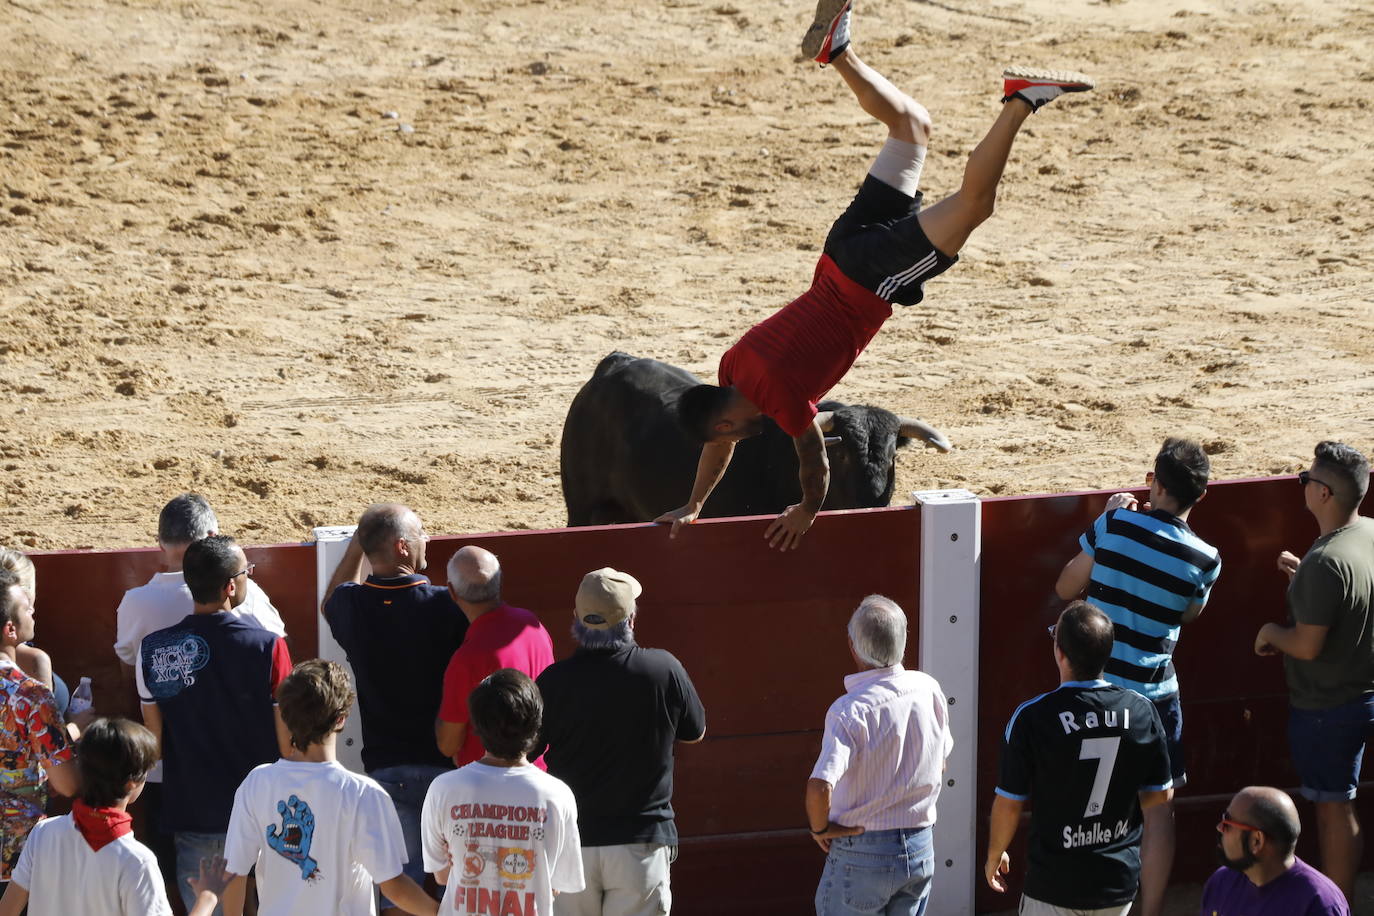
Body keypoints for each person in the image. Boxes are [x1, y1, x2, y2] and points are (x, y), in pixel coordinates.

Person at [654, 0, 1093, 551]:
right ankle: (837, 53)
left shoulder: (782, 400)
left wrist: (807, 510)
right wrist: (695, 504)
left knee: (974, 205)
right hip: (839, 254)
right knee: (911, 127)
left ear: (725, 423)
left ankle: (1020, 101)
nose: (737, 440)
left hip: (871, 279)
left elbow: (812, 463)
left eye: (731, 436)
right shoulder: (732, 367)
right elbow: (717, 445)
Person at [1055, 437, 1221, 916]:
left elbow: (1067, 586)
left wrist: (1107, 523)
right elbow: (1188, 615)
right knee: (1158, 810)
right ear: (1201, 496)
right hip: (1155, 699)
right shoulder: (1206, 558)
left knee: (1086, 804)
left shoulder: (1115, 523)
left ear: (1154, 483)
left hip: (1097, 693)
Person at [136, 534, 292, 915]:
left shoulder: (153, 649)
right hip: (264, 812)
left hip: (195, 809)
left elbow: (153, 745)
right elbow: (289, 742)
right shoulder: (270, 647)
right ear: (229, 585)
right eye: (246, 573)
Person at [985, 601, 1174, 916]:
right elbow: (1160, 804)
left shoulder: (1033, 717)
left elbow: (1010, 801)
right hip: (1116, 886)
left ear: (1059, 651)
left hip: (1053, 886)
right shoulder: (1142, 711)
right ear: (1108, 652)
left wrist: (995, 853)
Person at [537, 568, 706, 915]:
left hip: (571, 844)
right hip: (640, 841)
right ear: (630, 619)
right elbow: (695, 732)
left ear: (576, 619)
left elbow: (526, 752)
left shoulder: (552, 682)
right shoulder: (662, 669)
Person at [324, 504, 466, 914]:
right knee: (454, 885)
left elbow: (331, 600)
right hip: (444, 767)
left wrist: (355, 551)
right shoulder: (446, 605)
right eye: (421, 532)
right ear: (403, 547)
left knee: (399, 888)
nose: (428, 539)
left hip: (387, 770)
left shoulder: (353, 606)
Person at [221, 659, 438, 916]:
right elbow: (394, 887)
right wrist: (447, 911)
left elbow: (233, 874)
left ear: (286, 717)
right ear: (341, 719)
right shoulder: (364, 794)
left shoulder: (257, 783)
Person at [1254, 441, 1373, 901]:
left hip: (1330, 704)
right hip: (1361, 691)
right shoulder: (1367, 535)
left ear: (1323, 493)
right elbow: (1351, 600)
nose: (1301, 484)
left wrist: (1268, 631)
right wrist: (1305, 579)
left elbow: (1304, 645)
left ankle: (1336, 906)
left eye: (1305, 479)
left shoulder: (1325, 563)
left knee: (1333, 810)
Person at [807, 595, 952, 915]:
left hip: (862, 852)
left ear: (852, 646)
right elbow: (941, 761)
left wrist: (820, 830)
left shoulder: (848, 711)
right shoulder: (928, 689)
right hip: (919, 848)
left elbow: (819, 788)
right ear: (903, 640)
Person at [0, 717, 230, 916]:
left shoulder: (43, 833)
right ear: (133, 784)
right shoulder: (137, 861)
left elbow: (7, 910)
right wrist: (207, 897)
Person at [422, 669, 584, 915]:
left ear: (477, 724)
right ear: (536, 723)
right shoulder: (558, 796)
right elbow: (556, 885)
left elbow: (442, 875)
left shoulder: (443, 789)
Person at [436, 547, 554, 768]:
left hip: (486, 782)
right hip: (538, 770)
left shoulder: (467, 659)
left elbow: (448, 744)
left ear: (452, 592)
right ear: (498, 583)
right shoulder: (533, 625)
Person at [0, 568, 78, 890]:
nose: (33, 610)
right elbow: (67, 783)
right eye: (26, 608)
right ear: (10, 629)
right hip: (15, 864)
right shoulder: (29, 694)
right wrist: (77, 731)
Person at [1200, 786, 1348, 916]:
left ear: (1256, 841)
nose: (1219, 828)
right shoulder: (1221, 882)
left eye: (1227, 824)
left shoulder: (1319, 904)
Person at [0, 548, 63, 710]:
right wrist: (79, 725)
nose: (32, 610)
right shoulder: (35, 660)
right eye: (27, 607)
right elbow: (47, 732)